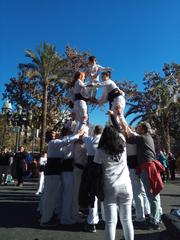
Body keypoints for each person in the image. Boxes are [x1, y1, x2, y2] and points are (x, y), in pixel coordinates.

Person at [93, 125, 134, 240]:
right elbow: (120, 131)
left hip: (109, 186)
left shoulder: (101, 150)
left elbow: (96, 164)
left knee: (111, 222)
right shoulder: (123, 146)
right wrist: (114, 115)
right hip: (126, 185)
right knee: (127, 220)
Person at [40, 128, 85, 227]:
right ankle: (47, 219)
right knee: (51, 196)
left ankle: (49, 216)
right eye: (54, 133)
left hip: (56, 172)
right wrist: (78, 134)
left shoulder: (58, 143)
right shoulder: (55, 142)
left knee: (53, 195)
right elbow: (67, 141)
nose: (56, 133)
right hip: (54, 172)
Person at [81, 125, 103, 233]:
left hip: (91, 168)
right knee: (105, 194)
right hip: (103, 169)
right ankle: (107, 219)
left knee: (92, 195)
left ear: (94, 131)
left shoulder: (89, 139)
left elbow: (82, 136)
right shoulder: (105, 141)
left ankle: (92, 222)